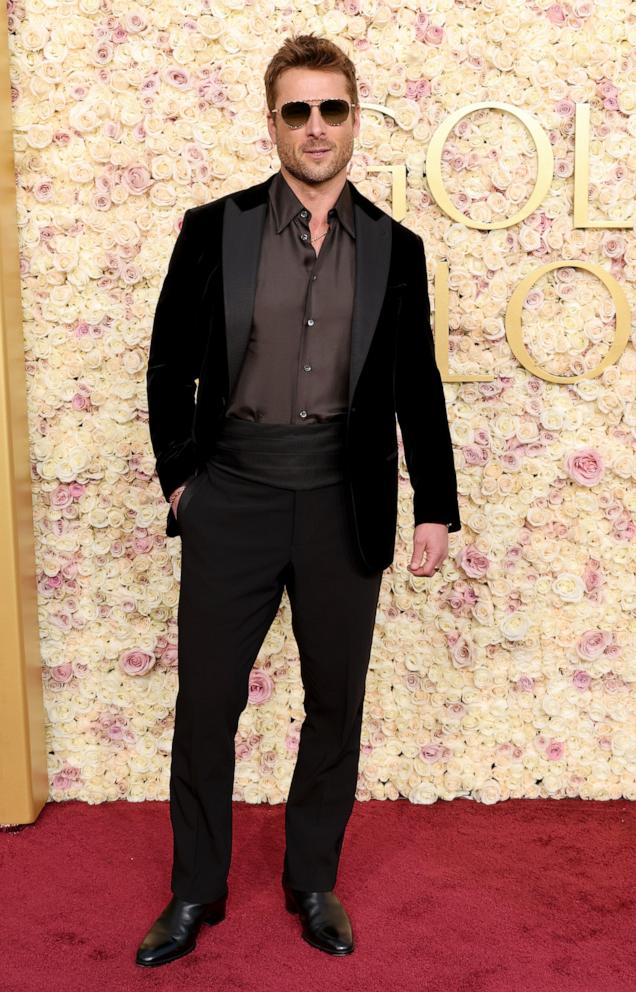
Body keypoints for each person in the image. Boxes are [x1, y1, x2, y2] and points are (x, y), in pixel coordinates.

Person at [136, 33, 461, 968]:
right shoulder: (216, 227)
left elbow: (416, 384)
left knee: (336, 700)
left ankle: (311, 879)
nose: (315, 129)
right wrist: (182, 483)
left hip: (339, 496)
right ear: (271, 121)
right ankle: (194, 892)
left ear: (354, 118)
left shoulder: (399, 248)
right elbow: (165, 362)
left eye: (331, 109)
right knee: (205, 702)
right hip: (230, 490)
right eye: (296, 111)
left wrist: (433, 505)